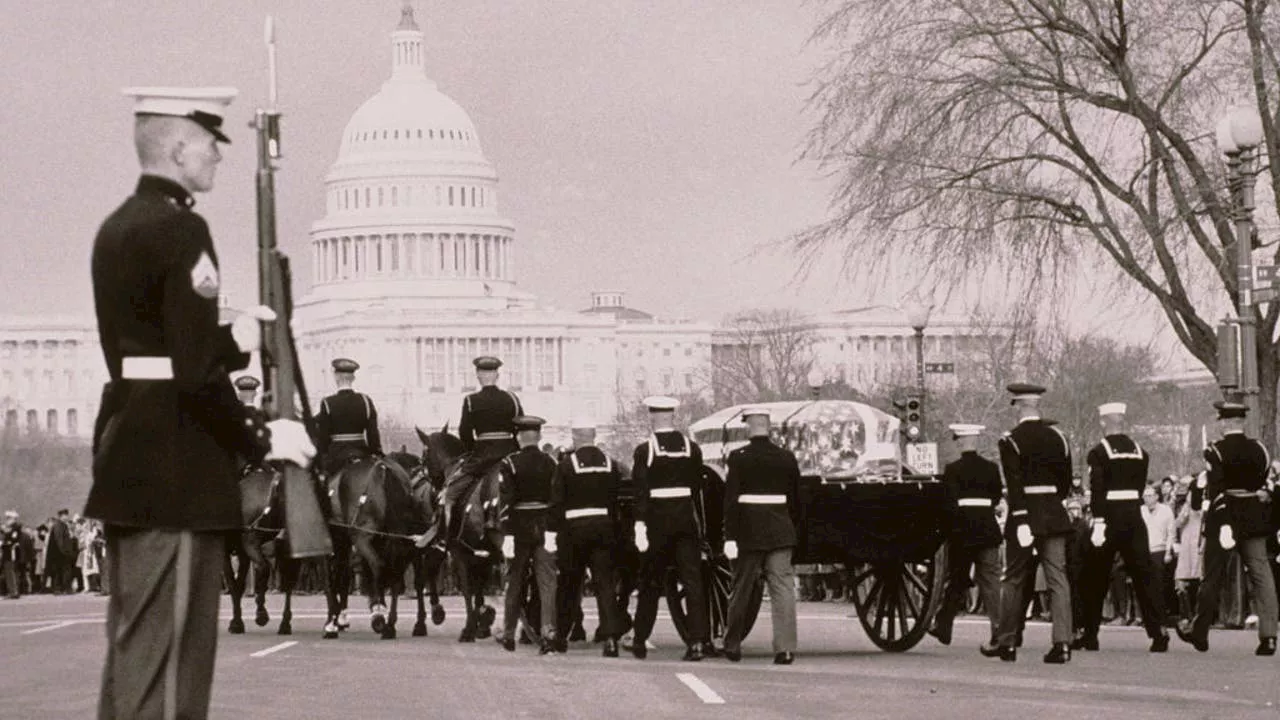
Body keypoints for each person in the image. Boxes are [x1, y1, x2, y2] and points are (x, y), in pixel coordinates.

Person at [88, 86, 315, 720]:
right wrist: (261, 436)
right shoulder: (181, 228)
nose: (218, 154)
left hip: (134, 452)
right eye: (211, 142)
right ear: (180, 147)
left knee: (136, 655)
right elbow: (190, 376)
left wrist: (233, 339)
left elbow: (157, 351)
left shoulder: (120, 227)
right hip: (178, 468)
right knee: (172, 668)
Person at [1178, 401, 1278, 656]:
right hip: (1254, 518)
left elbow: (1218, 490)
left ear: (1224, 422)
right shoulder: (1260, 449)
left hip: (1226, 517)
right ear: (1241, 422)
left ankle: (1199, 631)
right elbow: (1262, 485)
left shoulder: (1215, 451)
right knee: (1262, 577)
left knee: (1211, 577)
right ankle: (1269, 636)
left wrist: (1223, 524)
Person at [984, 382, 1074, 664]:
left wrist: (1022, 517)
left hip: (1024, 514)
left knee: (1013, 578)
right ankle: (1062, 644)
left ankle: (1007, 642)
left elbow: (1014, 483)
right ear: (1037, 405)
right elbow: (1064, 483)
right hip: (1053, 512)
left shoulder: (1010, 439)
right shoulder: (1059, 437)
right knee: (1058, 579)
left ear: (1018, 406)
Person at [1073, 402, 1170, 653]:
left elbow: (1097, 488)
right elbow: (1138, 488)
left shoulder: (1099, 452)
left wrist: (1100, 521)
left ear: (1104, 422)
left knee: (1095, 575)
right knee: (1145, 574)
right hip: (1134, 517)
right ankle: (1158, 630)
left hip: (1110, 517)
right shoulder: (1140, 452)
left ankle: (1089, 632)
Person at [630, 395, 711, 661]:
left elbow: (641, 491)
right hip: (686, 520)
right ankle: (697, 641)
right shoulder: (692, 448)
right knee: (693, 582)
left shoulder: (646, 450)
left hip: (658, 522)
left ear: (653, 417)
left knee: (650, 583)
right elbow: (698, 491)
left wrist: (639, 525)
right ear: (673, 417)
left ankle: (640, 639)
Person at [721, 408, 800, 665]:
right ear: (769, 426)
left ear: (748, 427)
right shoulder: (786, 458)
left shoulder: (738, 458)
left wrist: (729, 536)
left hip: (748, 532)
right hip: (780, 530)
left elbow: (731, 501)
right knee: (783, 590)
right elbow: (796, 501)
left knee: (741, 588)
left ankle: (733, 644)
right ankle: (785, 649)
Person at [425, 356, 523, 547]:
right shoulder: (512, 398)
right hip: (510, 454)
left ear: (478, 375)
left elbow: (465, 432)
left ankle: (445, 540)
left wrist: (472, 452)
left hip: (482, 458)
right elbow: (520, 425)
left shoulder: (471, 400)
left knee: (449, 494)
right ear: (497, 375)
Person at [551, 414, 626, 657]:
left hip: (574, 531)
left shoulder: (565, 465)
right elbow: (616, 500)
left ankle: (561, 636)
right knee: (604, 585)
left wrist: (553, 533)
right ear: (594, 436)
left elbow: (557, 503)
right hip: (604, 529)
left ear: (575, 437)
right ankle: (611, 638)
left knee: (570, 586)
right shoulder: (610, 464)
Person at [929, 424, 1003, 653]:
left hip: (963, 532)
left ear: (960, 442)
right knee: (991, 582)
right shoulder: (991, 468)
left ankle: (944, 624)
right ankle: (1000, 631)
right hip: (987, 529)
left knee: (958, 579)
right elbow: (996, 496)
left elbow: (948, 503)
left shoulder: (953, 469)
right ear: (976, 442)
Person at [497, 415, 559, 654]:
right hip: (544, 526)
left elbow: (506, 502)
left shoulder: (509, 463)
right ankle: (548, 632)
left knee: (514, 582)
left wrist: (508, 535)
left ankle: (509, 633)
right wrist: (553, 530)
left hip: (519, 527)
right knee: (547, 583)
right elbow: (555, 500)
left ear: (518, 437)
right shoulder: (550, 463)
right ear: (539, 436)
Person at [313, 358, 382, 477]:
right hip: (362, 453)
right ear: (353, 378)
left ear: (336, 377)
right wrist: (376, 453)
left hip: (336, 456)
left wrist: (321, 461)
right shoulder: (366, 401)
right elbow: (373, 435)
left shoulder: (328, 403)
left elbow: (323, 439)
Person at [1, 511, 23, 599]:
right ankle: (13, 591)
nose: (7, 520)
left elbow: (12, 541)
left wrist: (2, 543)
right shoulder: (12, 529)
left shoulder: (14, 529)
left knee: (10, 572)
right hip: (9, 553)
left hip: (10, 553)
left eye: (8, 518)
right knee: (11, 572)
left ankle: (13, 591)